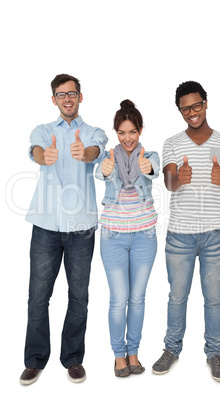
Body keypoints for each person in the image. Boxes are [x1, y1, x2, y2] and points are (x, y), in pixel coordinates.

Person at [19, 74, 108, 385]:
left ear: (80, 97)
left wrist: (88, 154)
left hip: (81, 228)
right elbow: (36, 151)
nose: (67, 99)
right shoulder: (43, 131)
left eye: (72, 93)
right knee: (37, 296)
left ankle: (72, 358)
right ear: (54, 100)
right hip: (45, 226)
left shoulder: (93, 132)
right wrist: (46, 157)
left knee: (79, 296)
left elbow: (97, 149)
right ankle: (35, 360)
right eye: (60, 94)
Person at [152, 81, 220, 382]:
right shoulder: (172, 143)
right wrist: (179, 178)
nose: (192, 112)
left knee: (214, 298)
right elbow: (169, 184)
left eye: (196, 105)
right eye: (185, 108)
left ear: (206, 103)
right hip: (180, 235)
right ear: (180, 110)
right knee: (177, 296)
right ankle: (171, 349)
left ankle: (214, 354)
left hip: (216, 234)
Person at [95, 100, 159, 377]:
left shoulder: (150, 155)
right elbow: (100, 172)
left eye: (132, 132)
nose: (127, 138)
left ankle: (134, 352)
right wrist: (106, 168)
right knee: (118, 299)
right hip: (113, 237)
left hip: (145, 236)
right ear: (116, 133)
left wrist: (146, 166)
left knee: (138, 297)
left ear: (141, 130)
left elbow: (154, 168)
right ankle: (118, 355)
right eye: (122, 132)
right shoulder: (108, 157)